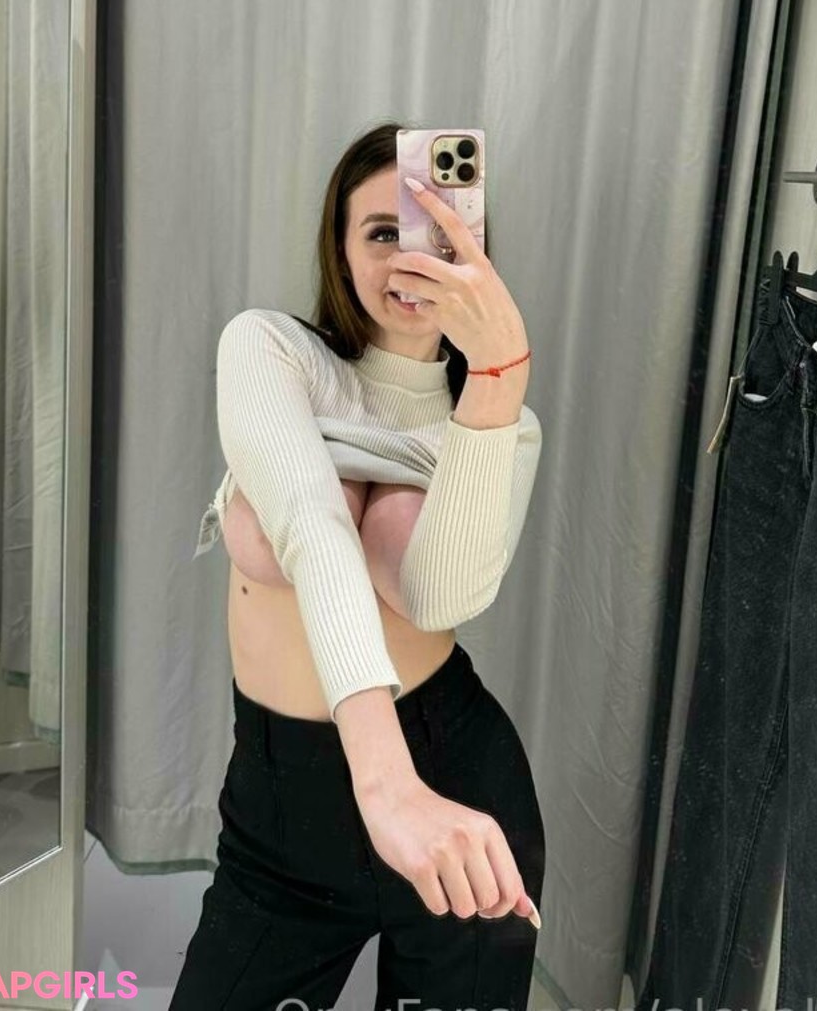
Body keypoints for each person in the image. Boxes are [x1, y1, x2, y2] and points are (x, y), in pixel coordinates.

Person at [172, 120, 546, 1009]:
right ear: (338, 249)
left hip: (457, 781)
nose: (411, 258)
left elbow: (440, 594)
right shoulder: (272, 350)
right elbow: (311, 522)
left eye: (440, 234)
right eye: (383, 232)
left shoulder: (501, 420)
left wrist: (497, 377)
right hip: (287, 816)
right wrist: (384, 785)